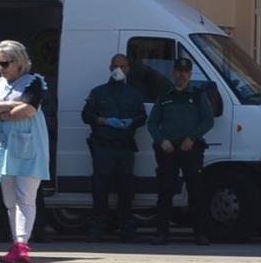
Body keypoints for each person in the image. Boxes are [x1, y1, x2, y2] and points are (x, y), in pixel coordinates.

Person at [0, 39, 50, 263]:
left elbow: (28, 109)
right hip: (2, 147)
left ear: (19, 62)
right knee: (9, 199)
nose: (1, 68)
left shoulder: (33, 82)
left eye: (5, 63)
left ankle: (22, 243)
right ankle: (15, 242)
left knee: (25, 197)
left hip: (28, 147)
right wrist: (11, 106)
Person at [148, 54, 213, 245]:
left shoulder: (198, 96)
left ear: (190, 74)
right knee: (165, 192)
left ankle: (200, 234)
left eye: (185, 72)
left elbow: (208, 120)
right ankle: (161, 234)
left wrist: (192, 138)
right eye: (178, 71)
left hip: (190, 149)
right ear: (173, 73)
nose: (181, 75)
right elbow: (152, 123)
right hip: (168, 150)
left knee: (196, 192)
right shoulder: (164, 97)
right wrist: (161, 140)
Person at [81, 52, 145, 242]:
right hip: (103, 148)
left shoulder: (134, 94)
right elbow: (86, 116)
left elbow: (142, 117)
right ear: (110, 68)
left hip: (124, 148)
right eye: (115, 66)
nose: (119, 70)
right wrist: (104, 120)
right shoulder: (98, 92)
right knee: (100, 189)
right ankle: (98, 227)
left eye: (123, 66)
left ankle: (127, 229)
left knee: (126, 190)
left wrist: (131, 121)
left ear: (128, 69)